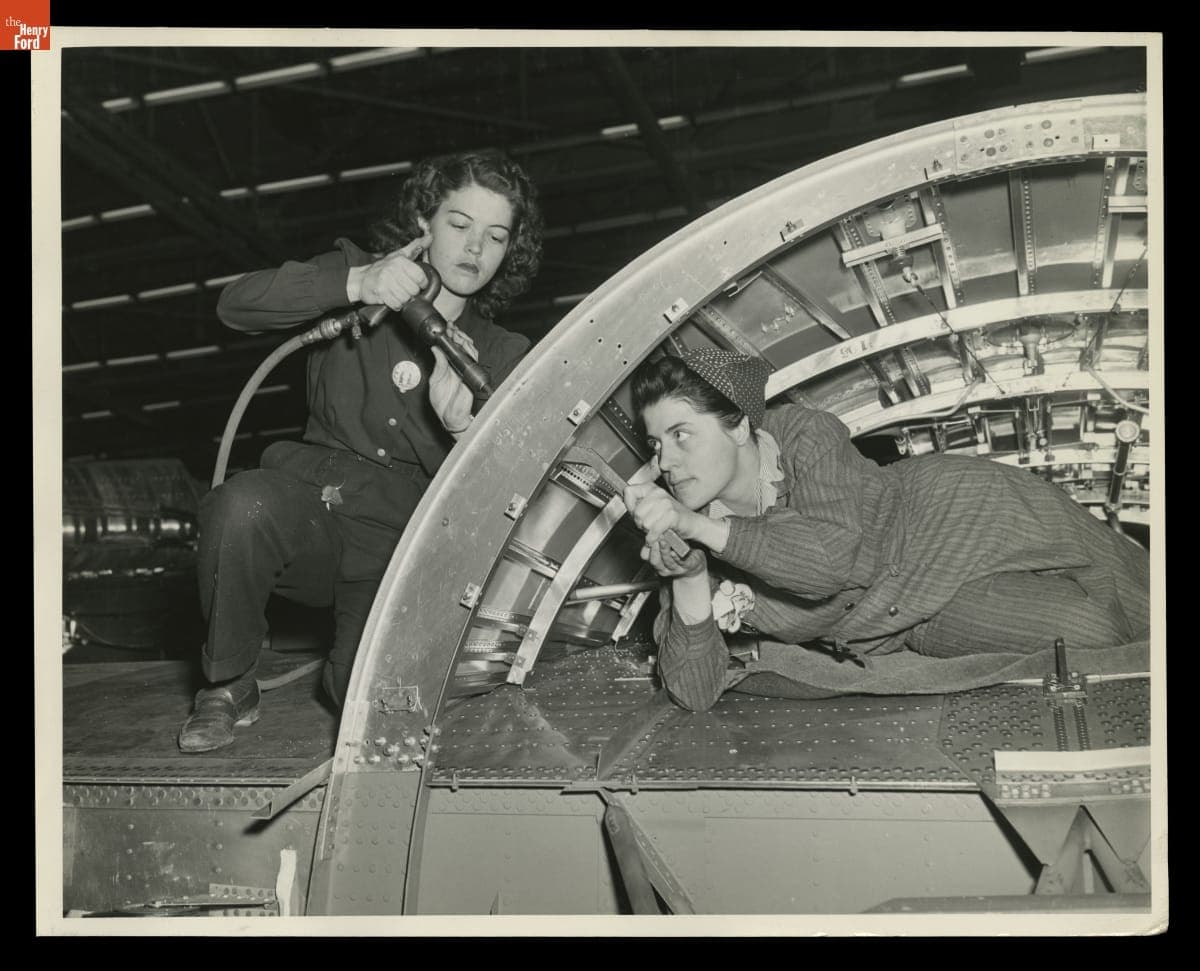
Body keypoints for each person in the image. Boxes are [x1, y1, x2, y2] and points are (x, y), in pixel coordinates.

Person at [178, 151, 543, 752]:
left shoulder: (503, 353)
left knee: (369, 705)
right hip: (310, 505)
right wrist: (356, 282)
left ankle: (346, 672)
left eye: (495, 236)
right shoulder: (359, 278)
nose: (475, 248)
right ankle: (229, 685)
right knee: (240, 507)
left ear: (510, 251)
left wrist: (461, 436)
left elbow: (515, 504)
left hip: (400, 545)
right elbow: (234, 305)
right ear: (424, 222)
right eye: (459, 224)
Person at [623, 348, 1151, 713]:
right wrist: (689, 579)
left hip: (962, 515)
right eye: (655, 444)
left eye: (681, 434)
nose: (665, 460)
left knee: (1142, 591)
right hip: (916, 614)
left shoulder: (806, 437)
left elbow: (830, 563)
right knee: (1098, 638)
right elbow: (695, 692)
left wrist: (703, 527)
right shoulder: (689, 534)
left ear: (738, 426)